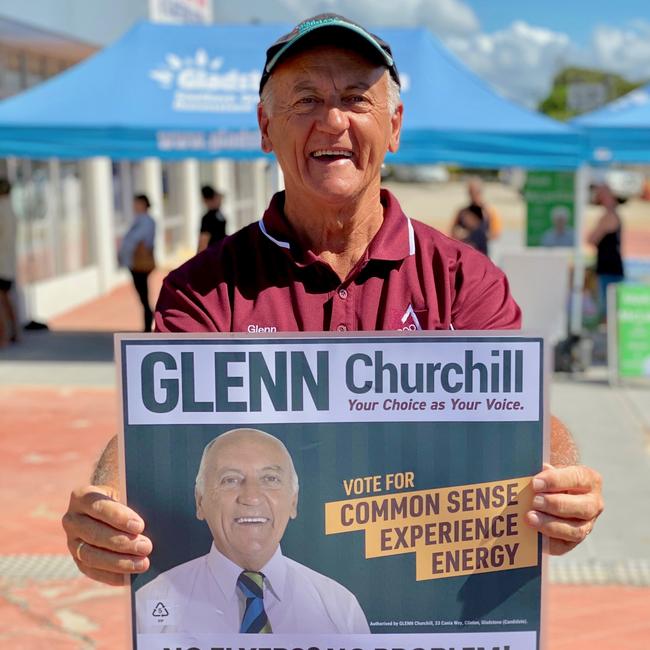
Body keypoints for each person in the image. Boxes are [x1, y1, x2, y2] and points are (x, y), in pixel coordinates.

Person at [62, 13, 603, 589]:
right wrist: (107, 508)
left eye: (354, 98)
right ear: (266, 128)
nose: (332, 121)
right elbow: (154, 435)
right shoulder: (204, 291)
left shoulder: (463, 280)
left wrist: (565, 484)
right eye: (305, 101)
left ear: (393, 126)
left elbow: (518, 423)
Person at [136, 428, 368, 634]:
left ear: (294, 502)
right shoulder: (150, 605)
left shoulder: (341, 608)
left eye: (270, 478)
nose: (251, 497)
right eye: (230, 480)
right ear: (200, 502)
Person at [118, 194, 156, 332]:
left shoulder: (145, 221)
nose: (135, 206)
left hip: (139, 263)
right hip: (137, 263)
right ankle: (148, 322)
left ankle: (148, 323)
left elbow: (133, 240)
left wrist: (122, 254)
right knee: (143, 296)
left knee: (144, 296)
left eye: (137, 203)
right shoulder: (141, 220)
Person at [587, 184, 624, 321]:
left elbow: (592, 239)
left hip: (609, 269)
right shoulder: (610, 216)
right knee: (609, 308)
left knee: (608, 310)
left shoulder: (610, 217)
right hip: (608, 267)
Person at [451, 177, 502, 255]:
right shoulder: (462, 212)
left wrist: (479, 235)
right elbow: (453, 233)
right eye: (470, 192)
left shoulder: (489, 212)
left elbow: (495, 234)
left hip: (482, 255)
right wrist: (461, 235)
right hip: (466, 255)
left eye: (475, 192)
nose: (472, 195)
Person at [0, 178, 19, 347]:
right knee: (7, 300)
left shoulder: (1, 209)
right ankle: (15, 332)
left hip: (2, 264)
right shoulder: (11, 210)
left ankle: (3, 337)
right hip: (8, 264)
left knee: (3, 301)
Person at [197, 185, 227, 253]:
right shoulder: (211, 217)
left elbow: (203, 243)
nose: (220, 200)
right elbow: (203, 243)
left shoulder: (213, 216)